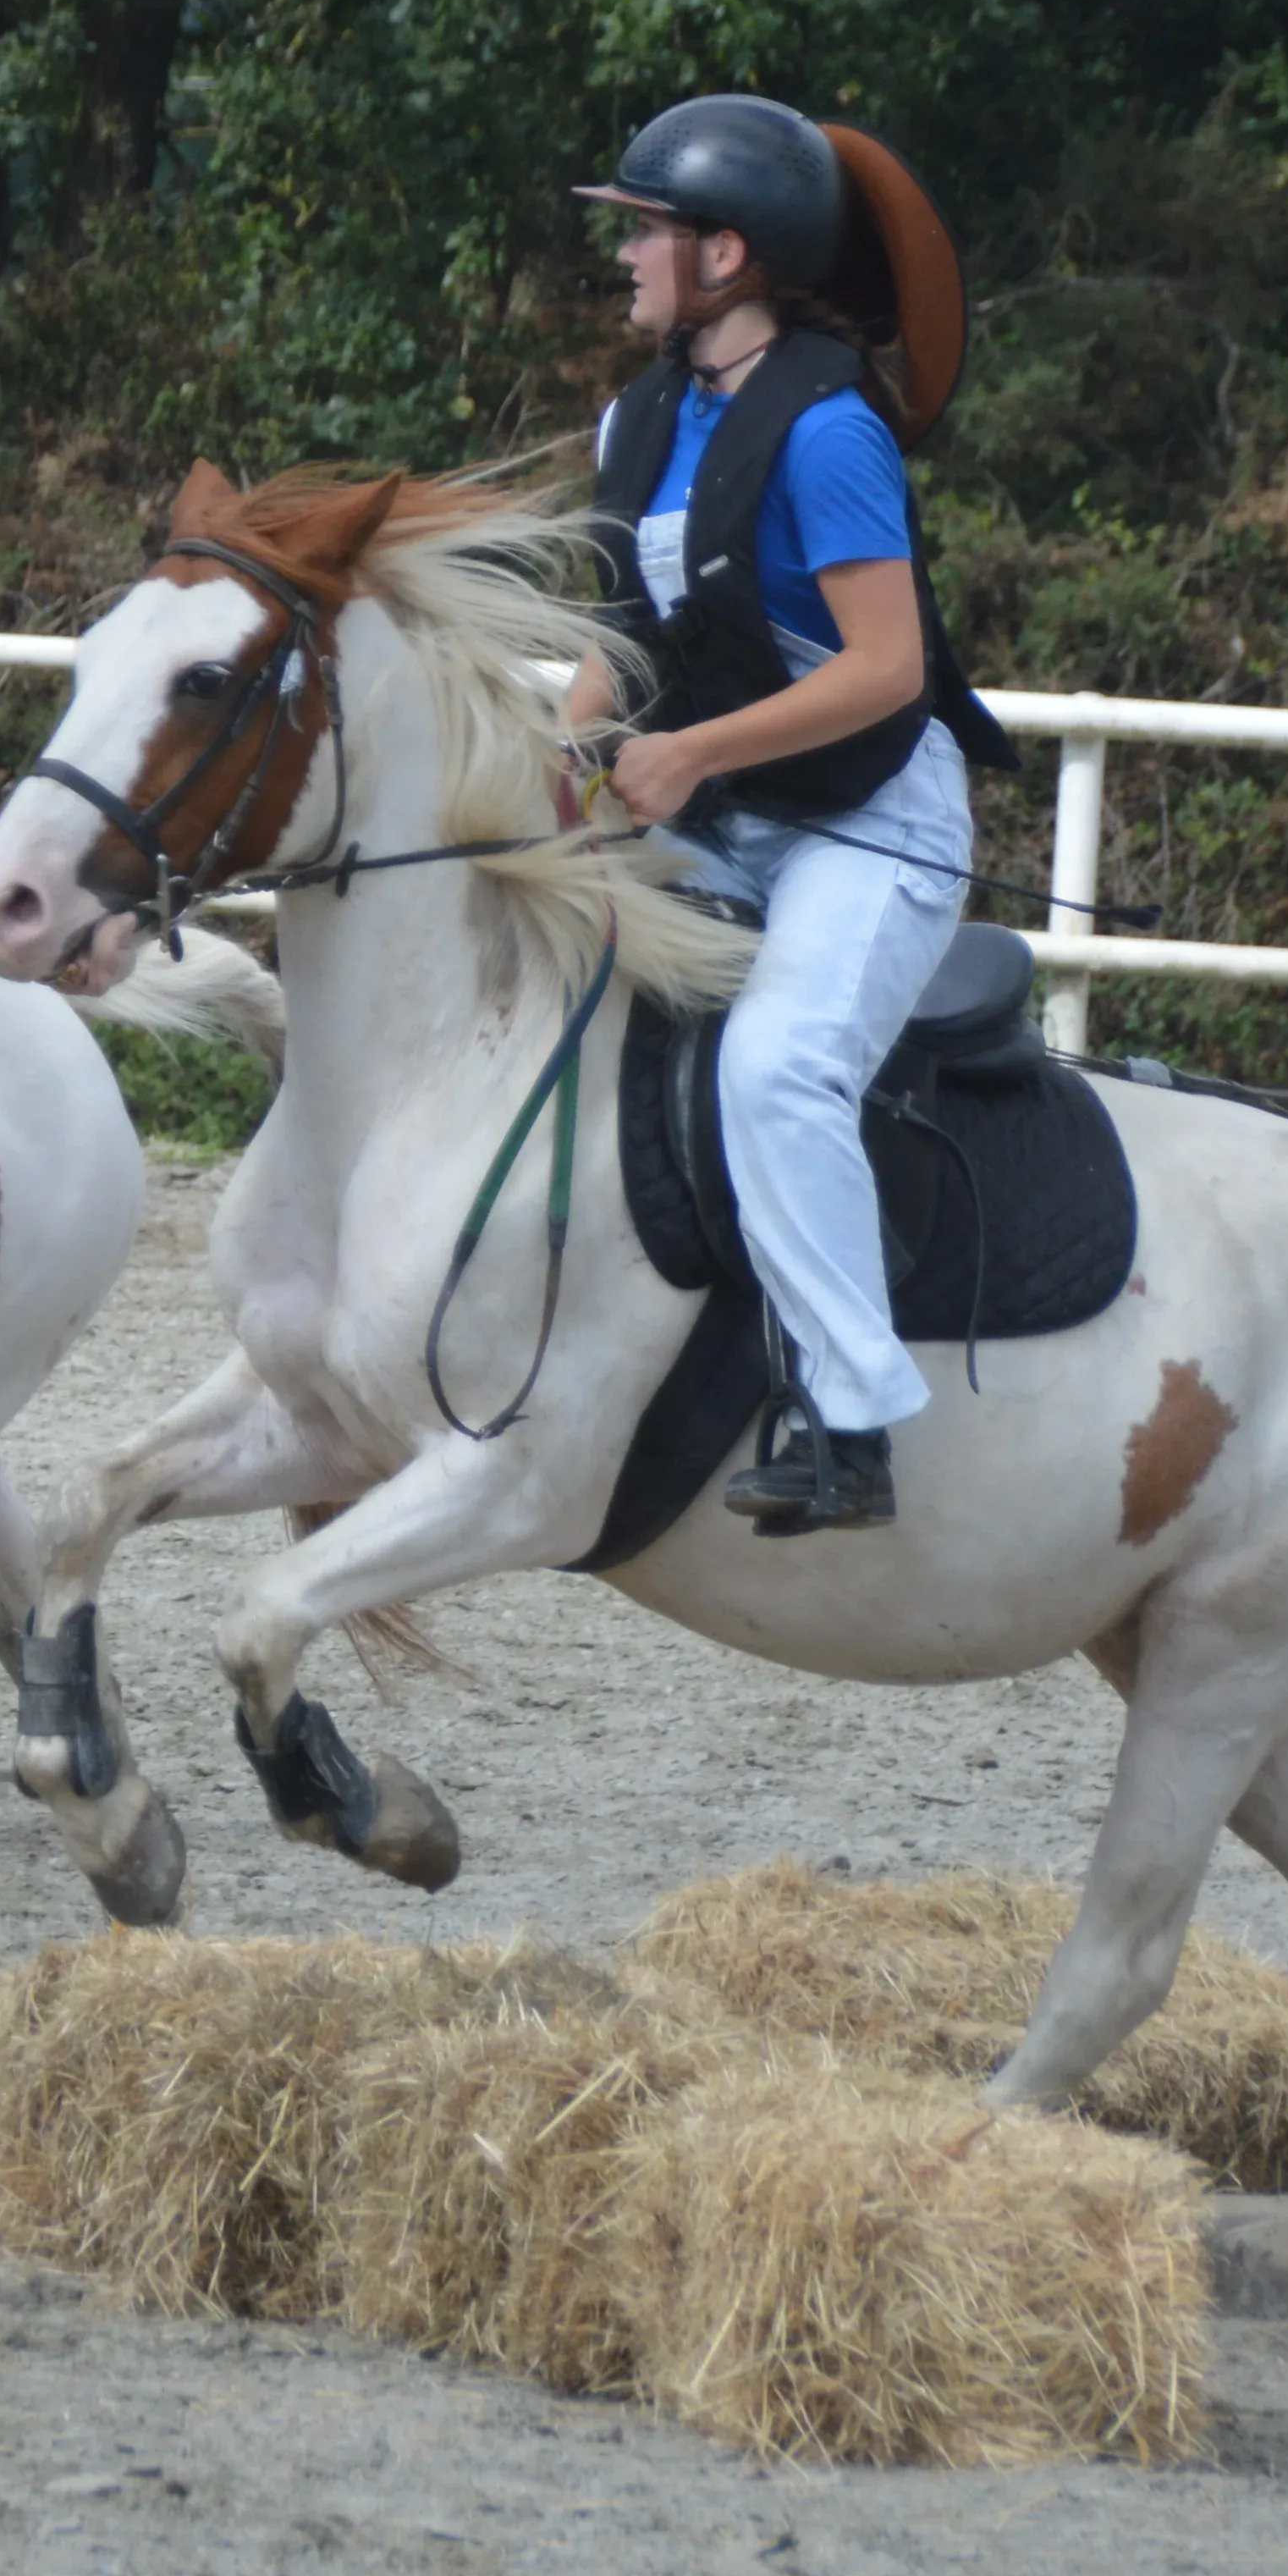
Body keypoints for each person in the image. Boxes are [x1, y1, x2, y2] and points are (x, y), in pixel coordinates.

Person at [559, 94, 1003, 1532]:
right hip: (730, 806)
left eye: (646, 231)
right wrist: (559, 757)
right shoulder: (637, 419)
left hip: (870, 824)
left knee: (777, 1069)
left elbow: (886, 671)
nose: (624, 256)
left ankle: (852, 1421)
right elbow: (621, 643)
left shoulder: (828, 433)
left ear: (728, 254)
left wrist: (685, 755)